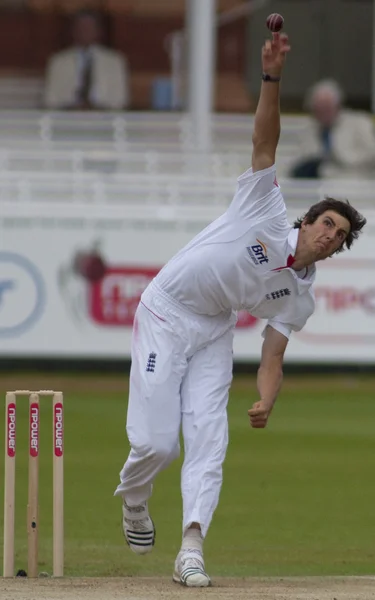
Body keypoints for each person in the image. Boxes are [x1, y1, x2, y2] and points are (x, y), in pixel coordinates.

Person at [113, 33, 366, 587]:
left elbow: (273, 354)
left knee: (210, 439)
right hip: (165, 311)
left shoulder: (301, 297)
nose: (329, 235)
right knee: (156, 443)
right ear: (305, 221)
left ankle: (191, 549)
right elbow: (264, 140)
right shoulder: (265, 208)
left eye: (340, 235)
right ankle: (135, 500)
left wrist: (266, 399)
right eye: (325, 222)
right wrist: (271, 78)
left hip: (213, 332)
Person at [44, 9, 130, 111]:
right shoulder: (58, 62)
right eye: (81, 27)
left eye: (89, 27)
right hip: (67, 118)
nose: (85, 31)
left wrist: (97, 108)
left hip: (105, 119)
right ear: (73, 30)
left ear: (99, 31)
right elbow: (50, 101)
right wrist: (72, 108)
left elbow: (121, 101)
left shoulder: (115, 61)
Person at [290, 79, 375, 179]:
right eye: (318, 109)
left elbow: (372, 154)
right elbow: (302, 159)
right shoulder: (309, 130)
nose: (323, 114)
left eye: (327, 108)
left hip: (356, 183)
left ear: (338, 106)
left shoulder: (360, 123)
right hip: (321, 185)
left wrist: (344, 158)